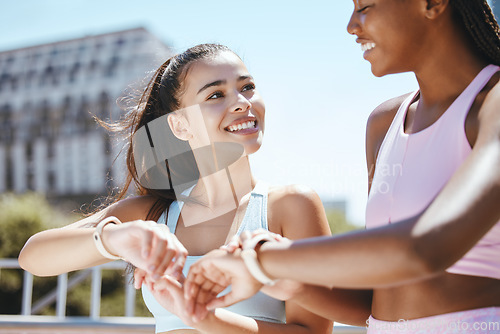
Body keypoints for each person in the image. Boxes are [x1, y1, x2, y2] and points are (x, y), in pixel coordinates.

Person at [184, 1, 500, 333]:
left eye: (365, 6)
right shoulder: (384, 123)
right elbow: (378, 300)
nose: (352, 25)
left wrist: (261, 260)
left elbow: (425, 247)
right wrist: (290, 282)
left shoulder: (493, 104)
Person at [18, 44, 333, 334]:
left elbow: (314, 332)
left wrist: (202, 316)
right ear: (180, 126)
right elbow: (33, 257)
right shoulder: (153, 213)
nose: (241, 102)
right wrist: (113, 239)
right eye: (215, 95)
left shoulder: (290, 205)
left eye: (247, 87)